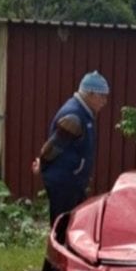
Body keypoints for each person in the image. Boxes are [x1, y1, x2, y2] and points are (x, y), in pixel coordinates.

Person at [32, 70, 110, 226]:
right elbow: (53, 146)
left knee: (73, 224)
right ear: (90, 94)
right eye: (102, 96)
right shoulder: (74, 116)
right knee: (62, 225)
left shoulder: (84, 114)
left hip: (72, 182)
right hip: (63, 183)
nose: (104, 101)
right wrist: (42, 164)